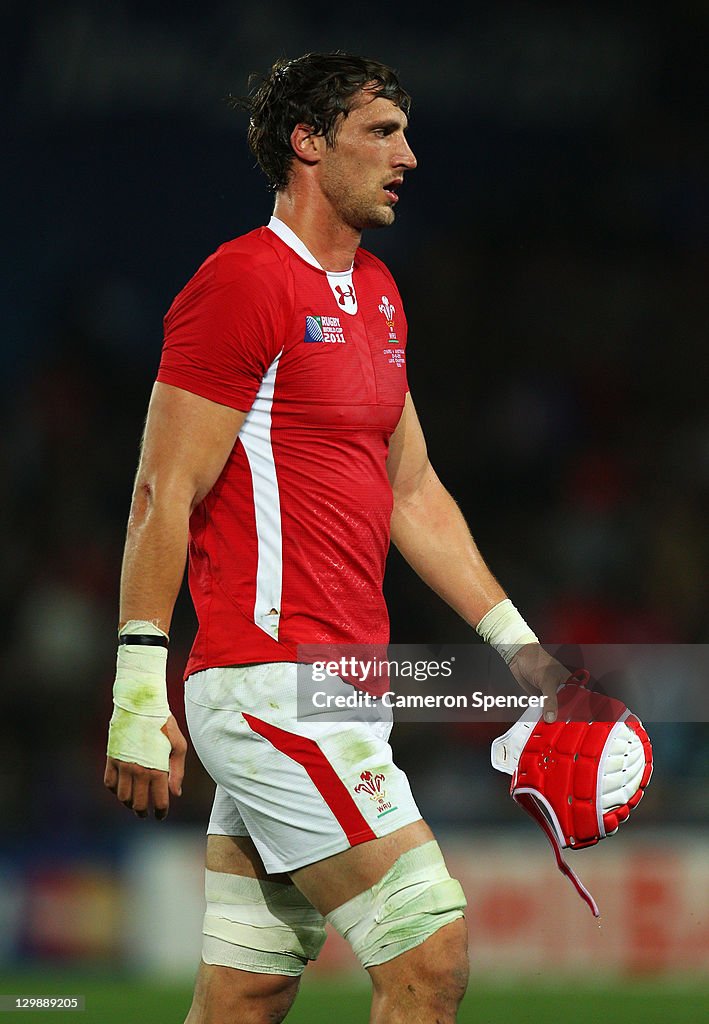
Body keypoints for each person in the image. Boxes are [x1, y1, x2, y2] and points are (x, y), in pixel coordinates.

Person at [104, 52, 566, 1024]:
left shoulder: (380, 295)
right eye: (381, 131)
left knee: (245, 993)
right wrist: (138, 686)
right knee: (427, 954)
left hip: (341, 687)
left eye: (404, 131)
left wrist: (523, 655)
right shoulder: (240, 282)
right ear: (307, 144)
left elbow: (414, 490)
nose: (407, 154)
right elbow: (162, 487)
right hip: (272, 683)